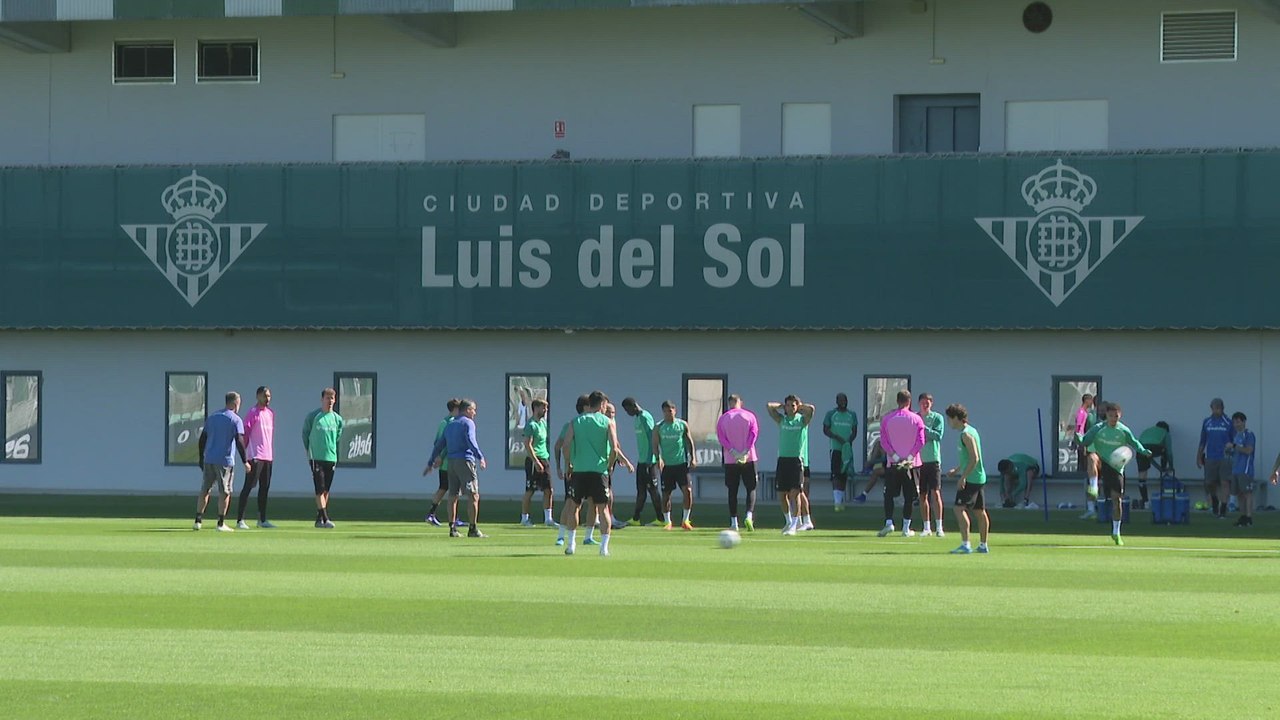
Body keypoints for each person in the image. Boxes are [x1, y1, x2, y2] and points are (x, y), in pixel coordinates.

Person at [561, 390, 624, 556]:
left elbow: (565, 445)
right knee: (603, 509)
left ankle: (571, 544)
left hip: (579, 470)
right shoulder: (608, 422)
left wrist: (568, 464)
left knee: (574, 507)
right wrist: (609, 465)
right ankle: (604, 548)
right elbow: (615, 449)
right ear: (602, 404)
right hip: (599, 471)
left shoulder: (575, 422)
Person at [1081, 402, 1151, 546]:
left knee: (1116, 500)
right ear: (1106, 415)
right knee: (1092, 457)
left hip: (1116, 466)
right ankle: (1093, 486)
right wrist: (1079, 439)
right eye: (1111, 416)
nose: (1113, 419)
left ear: (1120, 416)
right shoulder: (1098, 428)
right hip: (1102, 459)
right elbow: (1086, 439)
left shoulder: (1123, 430)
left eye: (1116, 416)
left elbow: (1134, 442)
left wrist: (1143, 450)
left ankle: (1116, 532)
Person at [426, 398, 487, 538]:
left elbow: (439, 445)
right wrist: (480, 457)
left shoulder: (450, 424)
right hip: (465, 461)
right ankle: (473, 529)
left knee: (453, 495)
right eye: (473, 410)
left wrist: (430, 462)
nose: (475, 413)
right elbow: (471, 441)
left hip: (452, 463)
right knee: (473, 494)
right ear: (467, 410)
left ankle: (452, 529)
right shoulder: (468, 423)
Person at [195, 391, 251, 532]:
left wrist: (201, 457)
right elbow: (239, 440)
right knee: (225, 491)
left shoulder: (212, 417)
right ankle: (221, 523)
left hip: (209, 459)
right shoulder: (235, 420)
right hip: (225, 460)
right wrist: (245, 461)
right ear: (234, 403)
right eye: (238, 404)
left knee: (205, 490)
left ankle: (198, 520)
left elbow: (202, 439)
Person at [876, 390, 925, 538]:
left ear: (897, 401)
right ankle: (905, 527)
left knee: (889, 494)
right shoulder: (917, 419)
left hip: (893, 464)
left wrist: (896, 456)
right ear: (909, 402)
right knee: (909, 496)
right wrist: (909, 457)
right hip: (912, 464)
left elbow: (883, 442)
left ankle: (889, 522)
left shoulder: (887, 419)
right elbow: (921, 441)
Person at [767, 395, 815, 536]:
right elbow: (769, 406)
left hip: (796, 461)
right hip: (782, 461)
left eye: (792, 406)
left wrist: (799, 406)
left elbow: (811, 409)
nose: (790, 408)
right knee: (782, 495)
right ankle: (788, 521)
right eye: (788, 406)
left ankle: (795, 524)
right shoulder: (782, 420)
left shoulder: (802, 420)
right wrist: (782, 406)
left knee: (795, 494)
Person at [945, 403, 989, 554]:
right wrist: (956, 470)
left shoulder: (966, 434)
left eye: (950, 419)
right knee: (979, 511)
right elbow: (968, 458)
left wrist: (962, 477)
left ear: (956, 418)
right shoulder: (971, 431)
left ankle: (966, 544)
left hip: (972, 479)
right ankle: (983, 546)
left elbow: (975, 458)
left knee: (958, 509)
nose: (949, 422)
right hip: (977, 477)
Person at [302, 387, 344, 529]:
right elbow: (305, 434)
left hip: (331, 457)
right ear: (322, 399)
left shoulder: (338, 419)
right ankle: (326, 519)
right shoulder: (314, 416)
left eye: (332, 398)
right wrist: (309, 450)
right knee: (319, 489)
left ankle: (319, 518)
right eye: (327, 398)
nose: (330, 401)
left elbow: (337, 438)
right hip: (317, 457)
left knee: (326, 490)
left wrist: (334, 454)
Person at [234, 386, 276, 529]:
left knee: (264, 488)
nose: (268, 399)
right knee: (249, 487)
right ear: (258, 396)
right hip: (255, 455)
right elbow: (245, 434)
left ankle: (262, 519)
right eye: (265, 396)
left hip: (267, 456)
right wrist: (245, 456)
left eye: (269, 396)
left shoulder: (270, 414)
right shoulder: (253, 413)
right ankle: (240, 520)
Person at [716, 394, 759, 532]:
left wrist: (733, 451)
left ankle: (734, 522)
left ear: (729, 403)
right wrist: (746, 450)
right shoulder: (749, 416)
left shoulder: (723, 418)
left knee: (732, 490)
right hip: (749, 458)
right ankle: (749, 515)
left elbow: (721, 437)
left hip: (731, 459)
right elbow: (754, 433)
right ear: (740, 402)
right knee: (751, 488)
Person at [653, 400, 697, 530]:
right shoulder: (659, 427)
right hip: (667, 466)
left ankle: (685, 520)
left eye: (671, 410)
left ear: (674, 410)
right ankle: (667, 522)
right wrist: (658, 458)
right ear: (663, 412)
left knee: (687, 491)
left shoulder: (682, 425)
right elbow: (655, 445)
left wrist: (693, 458)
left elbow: (690, 442)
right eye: (666, 411)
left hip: (682, 464)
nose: (668, 413)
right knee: (666, 494)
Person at [621, 397, 666, 527]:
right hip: (641, 461)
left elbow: (653, 438)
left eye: (627, 410)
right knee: (641, 490)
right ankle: (636, 518)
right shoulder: (637, 419)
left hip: (649, 461)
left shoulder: (645, 417)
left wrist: (653, 458)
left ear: (633, 406)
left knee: (653, 490)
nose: (627, 413)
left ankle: (661, 518)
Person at [424, 399, 462, 527]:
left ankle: (453, 517)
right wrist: (439, 457)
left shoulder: (456, 422)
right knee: (444, 488)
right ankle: (431, 514)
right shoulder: (446, 422)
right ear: (454, 409)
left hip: (454, 462)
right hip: (447, 463)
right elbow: (440, 442)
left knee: (454, 490)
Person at [520, 398, 554, 527]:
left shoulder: (543, 423)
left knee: (549, 489)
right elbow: (527, 444)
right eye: (543, 408)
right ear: (536, 408)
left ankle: (548, 519)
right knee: (530, 490)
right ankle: (524, 518)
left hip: (544, 458)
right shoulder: (531, 424)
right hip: (534, 460)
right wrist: (535, 461)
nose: (546, 410)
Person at [1197, 398, 1233, 519]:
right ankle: (1214, 499)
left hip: (1225, 457)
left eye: (1218, 408)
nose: (1216, 410)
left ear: (1223, 408)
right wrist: (1198, 456)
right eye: (1214, 408)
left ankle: (1223, 509)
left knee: (1225, 483)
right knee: (1209, 482)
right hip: (1210, 457)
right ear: (1211, 408)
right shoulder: (1207, 422)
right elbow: (1202, 441)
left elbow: (1234, 441)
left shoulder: (1228, 422)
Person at [822, 393, 858, 510]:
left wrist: (848, 441)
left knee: (844, 475)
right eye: (841, 400)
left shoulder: (852, 415)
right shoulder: (831, 414)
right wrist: (837, 438)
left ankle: (841, 500)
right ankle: (837, 502)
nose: (843, 402)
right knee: (836, 474)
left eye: (845, 400)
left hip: (846, 449)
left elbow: (854, 431)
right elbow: (825, 430)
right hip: (836, 448)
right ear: (836, 401)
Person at [917, 392, 945, 535]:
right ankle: (926, 527)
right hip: (919, 461)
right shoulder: (916, 418)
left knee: (935, 492)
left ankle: (939, 527)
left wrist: (923, 429)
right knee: (922, 495)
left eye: (928, 402)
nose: (925, 404)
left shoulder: (937, 418)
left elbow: (937, 435)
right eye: (923, 402)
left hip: (933, 460)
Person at [1134, 421, 1173, 510]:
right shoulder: (1165, 433)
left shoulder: (1148, 430)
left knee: (1142, 477)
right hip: (1155, 447)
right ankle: (1164, 472)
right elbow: (1169, 452)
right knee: (1165, 451)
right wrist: (1170, 466)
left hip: (1141, 449)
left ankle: (1145, 501)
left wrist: (1157, 466)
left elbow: (1147, 454)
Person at [1226, 412, 1256, 527]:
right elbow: (1236, 452)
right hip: (1236, 469)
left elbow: (1249, 450)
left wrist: (1234, 447)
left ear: (1244, 422)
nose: (1236, 424)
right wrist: (1230, 450)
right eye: (1234, 422)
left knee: (1247, 493)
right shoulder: (1236, 436)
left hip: (1245, 469)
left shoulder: (1248, 434)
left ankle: (1249, 517)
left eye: (1238, 421)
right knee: (1239, 494)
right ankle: (1243, 516)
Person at [1076, 393, 1100, 519]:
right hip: (1093, 450)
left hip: (1107, 452)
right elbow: (1082, 431)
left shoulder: (1111, 419)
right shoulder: (1090, 416)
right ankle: (1091, 508)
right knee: (1091, 479)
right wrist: (1082, 445)